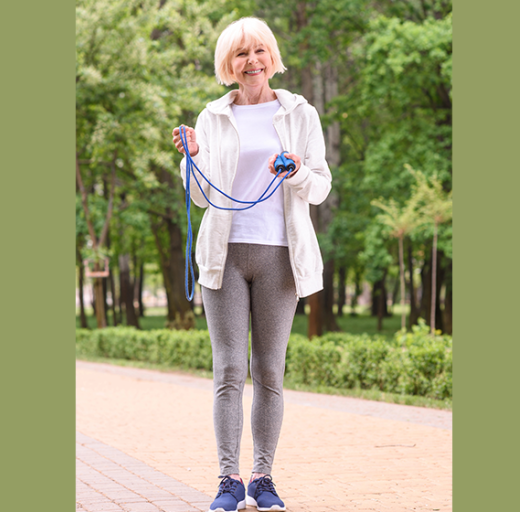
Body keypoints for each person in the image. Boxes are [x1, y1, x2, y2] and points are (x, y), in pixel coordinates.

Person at [171, 17, 332, 512]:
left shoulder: (299, 113)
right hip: (224, 255)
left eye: (259, 50)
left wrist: (297, 169)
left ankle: (263, 478)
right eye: (241, 53)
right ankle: (227, 479)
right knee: (227, 370)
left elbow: (321, 187)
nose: (252, 60)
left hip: (280, 257)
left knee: (268, 371)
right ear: (229, 64)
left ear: (272, 56)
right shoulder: (213, 117)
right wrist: (192, 157)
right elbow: (199, 196)